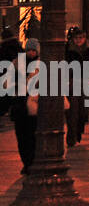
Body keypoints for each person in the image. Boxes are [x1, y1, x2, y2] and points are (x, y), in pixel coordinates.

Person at [9, 38, 43, 171]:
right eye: (29, 50)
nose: (31, 53)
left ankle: (32, 162)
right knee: (21, 137)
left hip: (33, 105)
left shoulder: (41, 65)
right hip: (19, 105)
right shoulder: (17, 63)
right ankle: (26, 163)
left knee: (32, 135)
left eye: (34, 50)